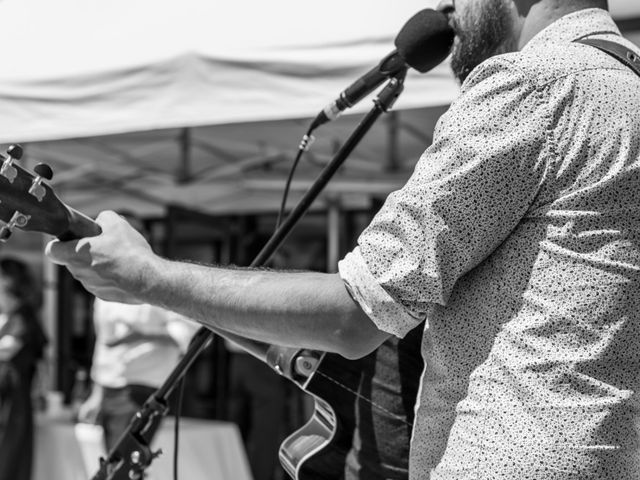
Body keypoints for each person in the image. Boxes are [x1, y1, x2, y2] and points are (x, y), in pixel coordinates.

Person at [46, 1, 640, 478]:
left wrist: (147, 275)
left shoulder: (536, 84)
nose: (447, 12)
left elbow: (354, 316)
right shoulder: (624, 88)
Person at [77, 214, 199, 452]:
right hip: (112, 386)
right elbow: (104, 343)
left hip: (145, 386)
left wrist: (140, 336)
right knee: (112, 462)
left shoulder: (161, 277)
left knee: (125, 463)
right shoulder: (103, 283)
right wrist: (96, 394)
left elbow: (186, 333)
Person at [0, 257, 48, 480]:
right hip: (8, 400)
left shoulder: (23, 317)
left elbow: (7, 350)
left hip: (12, 403)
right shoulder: (9, 317)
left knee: (8, 461)